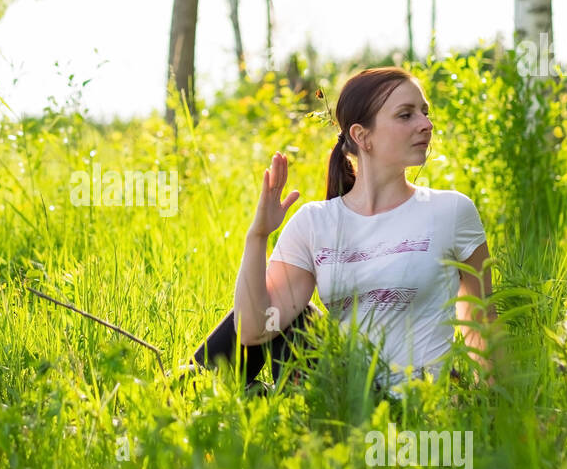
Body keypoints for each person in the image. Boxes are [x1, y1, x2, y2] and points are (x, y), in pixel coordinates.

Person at [190, 66, 497, 397]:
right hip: (335, 399)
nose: (426, 124)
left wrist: (499, 413)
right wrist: (258, 235)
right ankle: (193, 395)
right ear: (363, 136)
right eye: (406, 115)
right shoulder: (315, 222)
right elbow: (251, 332)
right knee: (284, 315)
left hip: (410, 409)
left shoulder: (450, 212)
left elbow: (483, 325)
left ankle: (196, 392)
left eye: (424, 112)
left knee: (292, 318)